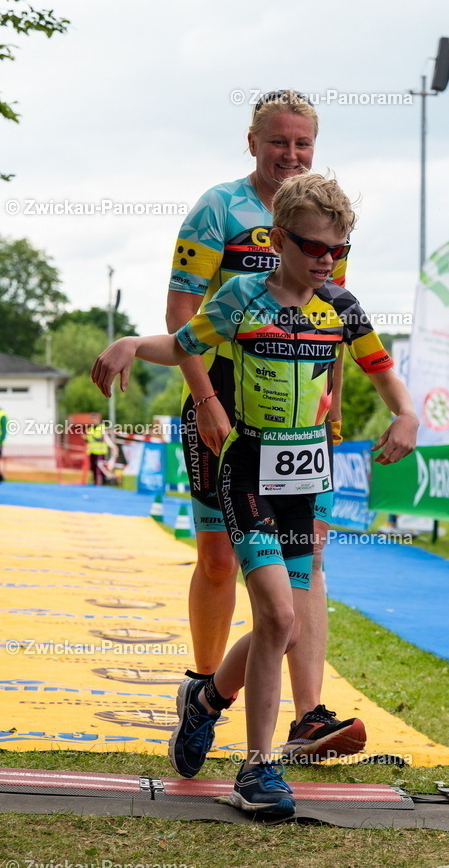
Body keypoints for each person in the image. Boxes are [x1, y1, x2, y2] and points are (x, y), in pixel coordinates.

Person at [92, 173, 419, 815]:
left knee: (285, 625)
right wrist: (131, 343)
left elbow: (382, 370)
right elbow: (182, 345)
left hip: (306, 479)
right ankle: (258, 769)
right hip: (247, 471)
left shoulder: (342, 307)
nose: (326, 260)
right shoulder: (242, 297)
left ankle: (207, 698)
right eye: (314, 247)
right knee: (277, 615)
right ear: (277, 241)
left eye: (339, 249)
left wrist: (405, 413)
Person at [166, 90, 360, 762]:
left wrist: (333, 402)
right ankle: (202, 685)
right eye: (279, 141)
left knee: (305, 559)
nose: (291, 154)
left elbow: (332, 314)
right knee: (221, 557)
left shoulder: (324, 214)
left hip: (301, 418)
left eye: (303, 143)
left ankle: (307, 717)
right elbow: (181, 318)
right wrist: (206, 401)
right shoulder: (217, 208)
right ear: (252, 142)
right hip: (225, 399)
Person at [85, 420, 117, 485]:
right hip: (92, 452)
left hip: (100, 452)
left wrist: (112, 446)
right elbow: (88, 440)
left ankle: (104, 481)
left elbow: (105, 438)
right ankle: (96, 481)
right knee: (93, 468)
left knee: (101, 468)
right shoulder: (90, 429)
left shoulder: (101, 428)